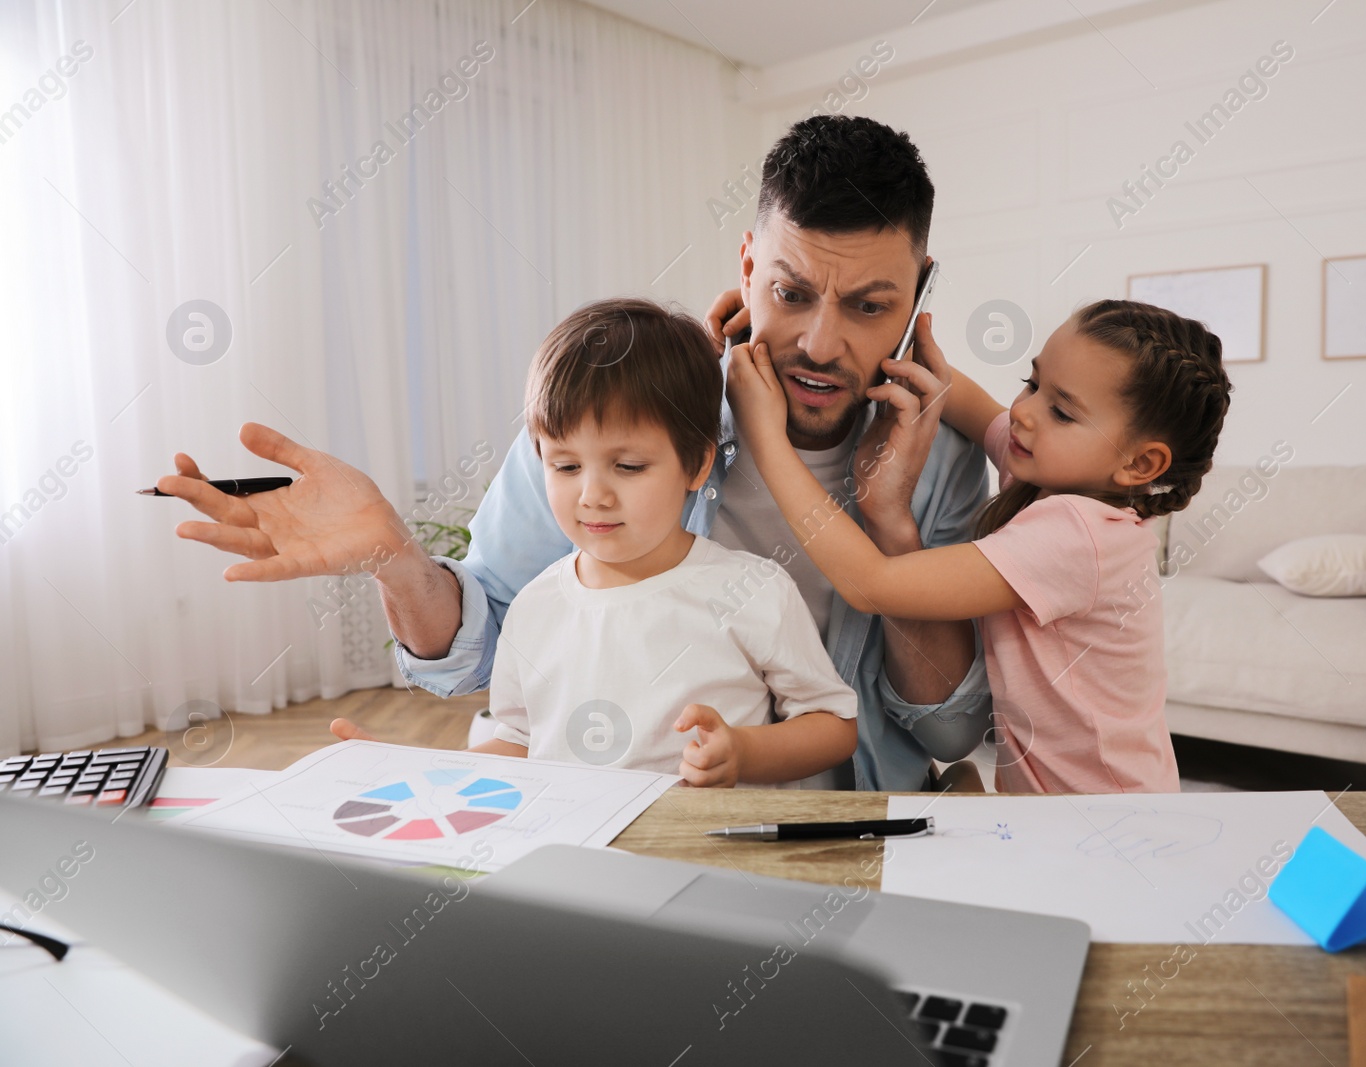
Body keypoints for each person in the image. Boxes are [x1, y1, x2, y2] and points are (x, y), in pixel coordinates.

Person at [156, 115, 991, 791]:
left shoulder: (940, 460)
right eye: (790, 292)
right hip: (606, 811)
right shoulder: (621, 415)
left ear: (918, 293)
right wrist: (396, 559)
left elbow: (950, 731)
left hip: (842, 819)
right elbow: (484, 656)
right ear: (746, 262)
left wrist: (891, 524)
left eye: (869, 305)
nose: (819, 341)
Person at [725, 299, 1233, 794]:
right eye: (1032, 383)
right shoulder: (1045, 474)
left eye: (1061, 411)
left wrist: (765, 434)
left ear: (1140, 466)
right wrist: (778, 324)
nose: (1025, 412)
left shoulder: (1077, 533)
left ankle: (964, 791)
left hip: (1109, 821)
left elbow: (870, 585)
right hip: (1045, 807)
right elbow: (956, 396)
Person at [471, 298, 854, 784]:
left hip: (704, 852)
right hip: (575, 850)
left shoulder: (753, 589)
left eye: (628, 466)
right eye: (565, 466)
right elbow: (521, 741)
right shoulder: (534, 606)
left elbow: (833, 725)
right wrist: (416, 773)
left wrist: (743, 751)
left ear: (695, 465)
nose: (593, 496)